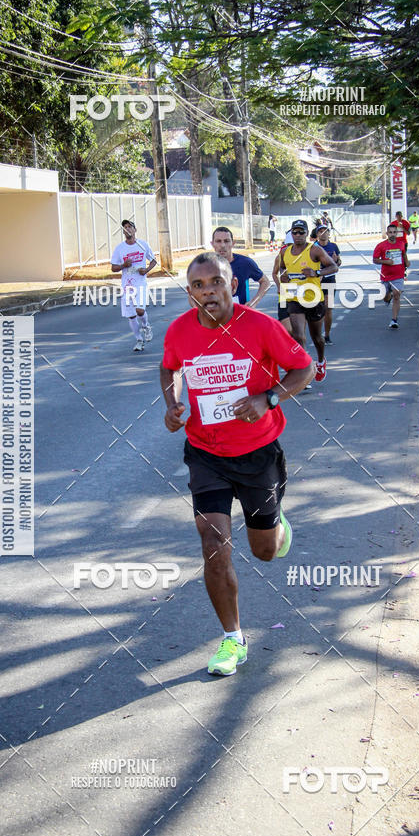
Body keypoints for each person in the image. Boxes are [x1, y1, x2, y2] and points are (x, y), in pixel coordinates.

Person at [160, 251, 314, 676]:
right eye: (198, 285)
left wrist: (269, 398)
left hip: (258, 451)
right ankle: (232, 638)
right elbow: (170, 369)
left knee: (264, 551)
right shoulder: (179, 331)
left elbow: (303, 368)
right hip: (206, 453)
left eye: (216, 282)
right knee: (213, 544)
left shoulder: (261, 326)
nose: (208, 291)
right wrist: (173, 405)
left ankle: (277, 526)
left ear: (232, 283)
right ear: (190, 292)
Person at [275, 219, 337, 384]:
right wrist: (284, 275)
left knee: (317, 337)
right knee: (299, 336)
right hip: (294, 298)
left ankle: (321, 361)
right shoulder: (285, 252)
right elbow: (282, 268)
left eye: (301, 232)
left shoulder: (314, 250)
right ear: (291, 234)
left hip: (313, 298)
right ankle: (304, 371)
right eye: (294, 232)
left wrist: (316, 272)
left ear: (307, 234)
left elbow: (333, 267)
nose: (297, 235)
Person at [111, 219, 156, 351]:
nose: (127, 229)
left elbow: (153, 260)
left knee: (140, 310)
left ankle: (146, 326)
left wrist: (146, 270)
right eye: (125, 228)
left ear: (135, 230)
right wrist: (123, 265)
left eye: (130, 227)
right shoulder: (120, 248)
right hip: (127, 285)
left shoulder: (143, 245)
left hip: (140, 283)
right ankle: (139, 340)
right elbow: (113, 268)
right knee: (131, 315)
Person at [211, 227, 270, 308]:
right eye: (218, 241)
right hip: (215, 316)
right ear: (212, 244)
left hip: (241, 315)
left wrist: (254, 302)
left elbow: (265, 282)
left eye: (226, 241)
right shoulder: (205, 266)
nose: (222, 245)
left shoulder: (245, 263)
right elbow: (192, 294)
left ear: (233, 243)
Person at [373, 224, 409, 329]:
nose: (392, 234)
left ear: (397, 233)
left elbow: (405, 259)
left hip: (398, 275)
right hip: (386, 276)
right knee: (385, 297)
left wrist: (406, 260)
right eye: (390, 232)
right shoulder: (381, 246)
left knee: (397, 294)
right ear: (387, 234)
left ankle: (394, 320)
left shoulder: (401, 244)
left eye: (394, 232)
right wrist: (386, 261)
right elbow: (375, 260)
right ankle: (388, 297)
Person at [312, 223, 341, 345]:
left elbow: (338, 263)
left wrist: (336, 261)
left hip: (329, 280)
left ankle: (327, 335)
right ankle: (317, 334)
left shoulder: (333, 246)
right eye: (320, 231)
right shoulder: (313, 247)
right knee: (318, 309)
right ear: (317, 234)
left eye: (325, 231)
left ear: (329, 234)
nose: (323, 234)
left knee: (328, 308)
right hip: (316, 281)